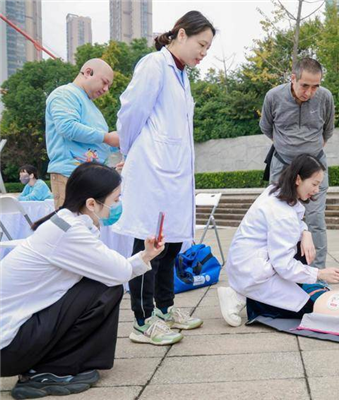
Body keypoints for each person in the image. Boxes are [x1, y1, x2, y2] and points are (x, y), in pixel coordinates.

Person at [0, 163, 164, 399]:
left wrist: (145, 256)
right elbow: (117, 273)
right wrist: (144, 257)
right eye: (115, 200)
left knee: (98, 284)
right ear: (91, 203)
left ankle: (51, 363)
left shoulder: (66, 222)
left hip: (12, 342)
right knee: (106, 289)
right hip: (9, 348)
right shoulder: (70, 231)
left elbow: (112, 267)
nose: (117, 206)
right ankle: (49, 370)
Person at [113, 11, 215, 345]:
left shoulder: (182, 75)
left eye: (208, 48)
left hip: (173, 175)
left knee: (169, 245)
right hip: (152, 170)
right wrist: (133, 153)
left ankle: (164, 308)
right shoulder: (153, 65)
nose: (203, 52)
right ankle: (142, 321)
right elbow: (130, 114)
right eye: (201, 44)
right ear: (181, 35)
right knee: (148, 245)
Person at [218, 154, 339, 327]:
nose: (317, 190)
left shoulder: (275, 191)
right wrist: (319, 274)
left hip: (247, 263)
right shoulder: (282, 214)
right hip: (254, 272)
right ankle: (241, 296)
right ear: (298, 179)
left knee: (301, 248)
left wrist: (306, 232)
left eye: (319, 185)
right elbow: (284, 265)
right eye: (314, 184)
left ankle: (244, 294)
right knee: (310, 310)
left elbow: (295, 220)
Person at [260, 57, 335, 269]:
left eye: (315, 86)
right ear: (293, 78)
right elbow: (266, 127)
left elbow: (327, 130)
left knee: (315, 220)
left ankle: (317, 273)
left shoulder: (325, 97)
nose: (309, 92)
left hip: (315, 167)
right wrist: (287, 146)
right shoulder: (273, 97)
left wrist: (309, 154)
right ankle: (279, 267)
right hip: (283, 165)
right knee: (277, 218)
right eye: (305, 86)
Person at [45, 58, 119, 208]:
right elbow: (67, 127)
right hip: (70, 175)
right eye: (104, 82)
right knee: (72, 227)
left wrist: (118, 143)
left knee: (89, 229)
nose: (106, 89)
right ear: (88, 72)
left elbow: (99, 144)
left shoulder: (91, 106)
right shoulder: (65, 94)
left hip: (91, 178)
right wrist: (107, 137)